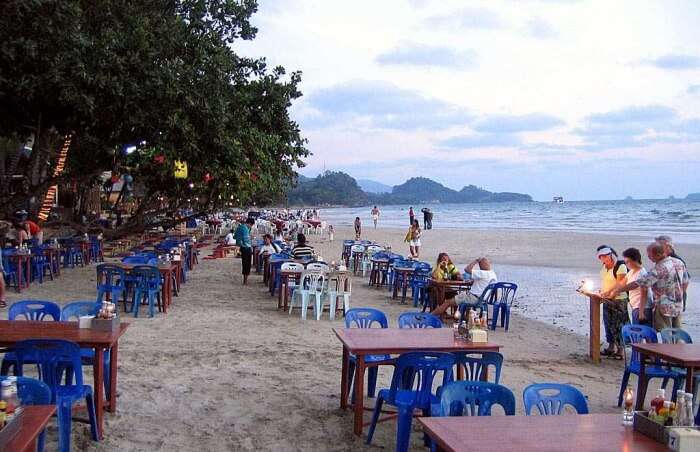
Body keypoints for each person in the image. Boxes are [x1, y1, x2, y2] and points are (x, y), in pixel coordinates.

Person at [612, 243, 688, 331]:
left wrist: (619, 290)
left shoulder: (659, 268)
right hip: (678, 305)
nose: (649, 258)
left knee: (666, 334)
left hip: (663, 307)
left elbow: (640, 283)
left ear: (658, 254)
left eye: (650, 256)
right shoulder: (678, 262)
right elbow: (685, 281)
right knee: (677, 333)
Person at [594, 246, 628, 358]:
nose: (603, 258)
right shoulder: (604, 266)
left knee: (618, 324)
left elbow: (620, 283)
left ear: (611, 254)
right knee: (608, 323)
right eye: (601, 257)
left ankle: (620, 349)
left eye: (605, 256)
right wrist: (602, 291)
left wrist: (608, 292)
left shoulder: (620, 266)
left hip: (618, 299)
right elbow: (605, 280)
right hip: (606, 298)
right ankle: (611, 346)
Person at [610, 248, 652, 325]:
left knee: (643, 332)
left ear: (635, 260)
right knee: (636, 332)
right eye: (625, 262)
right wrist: (611, 291)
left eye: (628, 262)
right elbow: (622, 283)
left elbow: (644, 293)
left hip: (643, 308)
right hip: (635, 306)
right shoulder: (632, 271)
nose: (626, 264)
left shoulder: (642, 273)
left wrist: (641, 312)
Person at [655, 235, 690, 310]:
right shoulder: (662, 258)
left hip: (673, 299)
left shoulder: (676, 260)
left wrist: (680, 294)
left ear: (668, 246)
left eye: (659, 245)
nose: (656, 248)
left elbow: (686, 281)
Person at [233, 218, 255, 285]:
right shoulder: (245, 228)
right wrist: (251, 238)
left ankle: (245, 279)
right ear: (250, 223)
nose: (251, 227)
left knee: (245, 263)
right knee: (247, 264)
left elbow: (235, 236)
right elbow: (246, 239)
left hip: (242, 247)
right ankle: (245, 280)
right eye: (251, 225)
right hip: (246, 247)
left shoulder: (240, 227)